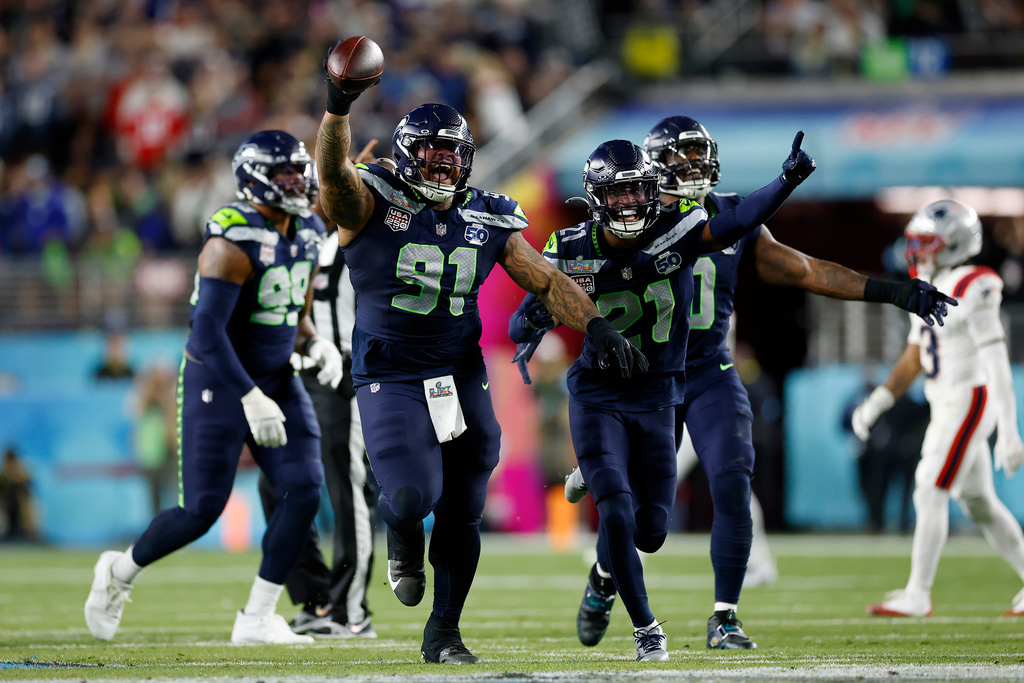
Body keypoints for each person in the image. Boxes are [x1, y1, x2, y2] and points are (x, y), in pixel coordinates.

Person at [544, 116, 955, 650]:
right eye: (679, 157)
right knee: (644, 518)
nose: (692, 166)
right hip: (639, 380)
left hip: (710, 369)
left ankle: (725, 616)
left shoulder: (730, 216)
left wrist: (894, 292)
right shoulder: (631, 219)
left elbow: (804, 269)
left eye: (698, 154)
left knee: (734, 479)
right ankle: (604, 578)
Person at [314, 40, 646, 665]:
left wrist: (597, 326)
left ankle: (444, 633)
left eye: (451, 153)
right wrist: (337, 107)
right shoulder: (373, 198)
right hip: (389, 370)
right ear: (406, 155)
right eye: (429, 152)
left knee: (465, 508)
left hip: (459, 372)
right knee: (411, 498)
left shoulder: (488, 215)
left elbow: (545, 279)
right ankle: (402, 536)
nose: (441, 164)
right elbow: (332, 179)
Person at [510, 132, 817, 660]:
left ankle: (601, 508)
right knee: (619, 514)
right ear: (594, 197)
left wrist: (786, 181)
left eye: (636, 191)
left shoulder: (678, 232)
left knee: (651, 532)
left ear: (653, 192)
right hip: (599, 395)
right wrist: (533, 317)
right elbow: (521, 320)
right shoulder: (570, 246)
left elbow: (739, 222)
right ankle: (648, 630)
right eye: (617, 193)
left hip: (657, 397)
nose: (628, 203)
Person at [84, 130, 345, 645]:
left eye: (299, 169)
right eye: (283, 173)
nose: (296, 180)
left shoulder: (311, 230)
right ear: (255, 180)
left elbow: (294, 314)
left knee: (303, 489)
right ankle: (119, 573)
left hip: (275, 376)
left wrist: (316, 346)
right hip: (218, 378)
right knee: (201, 510)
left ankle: (256, 617)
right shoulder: (231, 240)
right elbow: (206, 335)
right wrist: (250, 397)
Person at [852, 198, 1024, 618]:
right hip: (945, 399)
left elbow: (995, 357)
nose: (917, 252)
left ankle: (918, 593)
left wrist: (1009, 429)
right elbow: (915, 356)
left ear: (954, 244)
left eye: (927, 243)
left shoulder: (973, 282)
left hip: (969, 396)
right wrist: (878, 400)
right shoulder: (927, 288)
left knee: (930, 486)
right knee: (978, 502)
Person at [257, 149, 381, 640]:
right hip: (299, 375)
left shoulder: (368, 238)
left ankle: (351, 609)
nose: (320, 193)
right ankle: (314, 597)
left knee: (346, 487)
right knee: (277, 483)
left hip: (346, 375)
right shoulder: (305, 239)